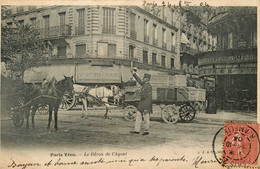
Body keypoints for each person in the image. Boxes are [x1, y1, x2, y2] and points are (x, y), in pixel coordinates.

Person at [130, 69, 152, 135]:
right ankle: (136, 130)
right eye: (144, 78)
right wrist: (134, 73)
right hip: (141, 104)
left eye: (145, 78)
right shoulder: (144, 84)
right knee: (138, 117)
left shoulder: (148, 86)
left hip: (146, 104)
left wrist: (146, 108)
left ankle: (146, 131)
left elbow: (149, 98)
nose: (143, 79)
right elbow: (139, 80)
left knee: (146, 118)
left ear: (147, 79)